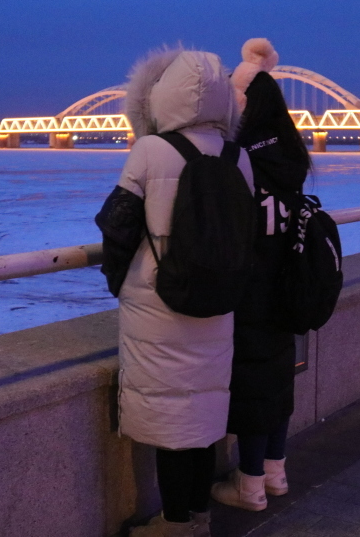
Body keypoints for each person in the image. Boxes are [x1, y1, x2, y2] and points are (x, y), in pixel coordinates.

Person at [95, 46, 253, 537]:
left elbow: (117, 225)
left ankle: (174, 524)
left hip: (158, 306)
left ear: (161, 98)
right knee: (203, 415)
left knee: (169, 422)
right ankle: (200, 517)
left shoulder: (148, 151)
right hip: (218, 303)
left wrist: (122, 283)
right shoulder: (238, 157)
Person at [211, 38, 310, 512]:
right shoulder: (291, 155)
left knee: (250, 386)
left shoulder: (239, 157)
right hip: (288, 285)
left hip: (248, 289)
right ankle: (276, 471)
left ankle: (249, 485)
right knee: (278, 379)